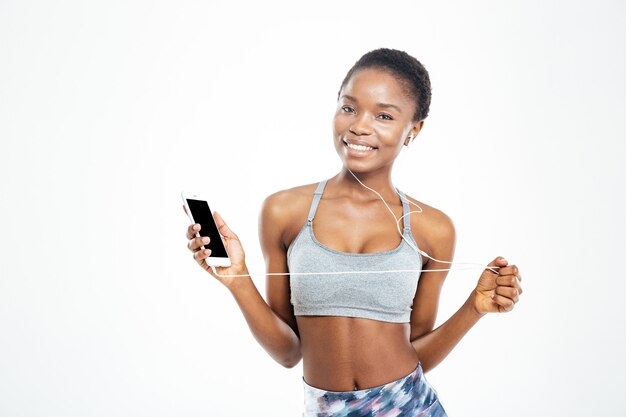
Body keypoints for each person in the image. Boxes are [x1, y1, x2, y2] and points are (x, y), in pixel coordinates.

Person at [184, 48, 523, 416]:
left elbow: (417, 352)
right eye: (349, 108)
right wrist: (238, 280)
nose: (360, 125)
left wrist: (475, 308)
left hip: (411, 407)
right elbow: (288, 353)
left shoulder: (432, 228)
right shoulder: (284, 211)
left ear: (414, 130)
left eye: (383, 115)